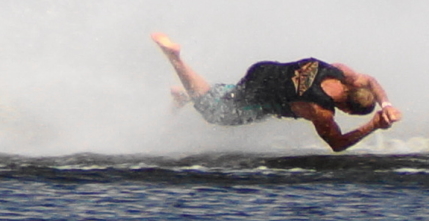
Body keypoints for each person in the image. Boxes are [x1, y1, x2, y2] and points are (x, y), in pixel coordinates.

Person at [152, 33, 402, 152]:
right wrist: (373, 125)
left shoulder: (340, 72)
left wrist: (386, 104)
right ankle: (176, 60)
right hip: (261, 96)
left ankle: (183, 96)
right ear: (347, 108)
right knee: (215, 113)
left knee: (232, 94)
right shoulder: (320, 110)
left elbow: (370, 80)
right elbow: (336, 144)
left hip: (263, 71)